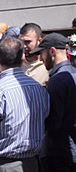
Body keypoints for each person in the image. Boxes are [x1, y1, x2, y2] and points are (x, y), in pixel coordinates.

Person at [0, 37, 50, 172]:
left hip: (0, 164)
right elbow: (45, 118)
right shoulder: (39, 89)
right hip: (31, 163)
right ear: (22, 59)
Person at [30, 32, 76, 172]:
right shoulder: (73, 73)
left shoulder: (57, 80)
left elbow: (53, 122)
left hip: (60, 153)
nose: (41, 59)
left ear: (52, 51)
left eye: (42, 54)